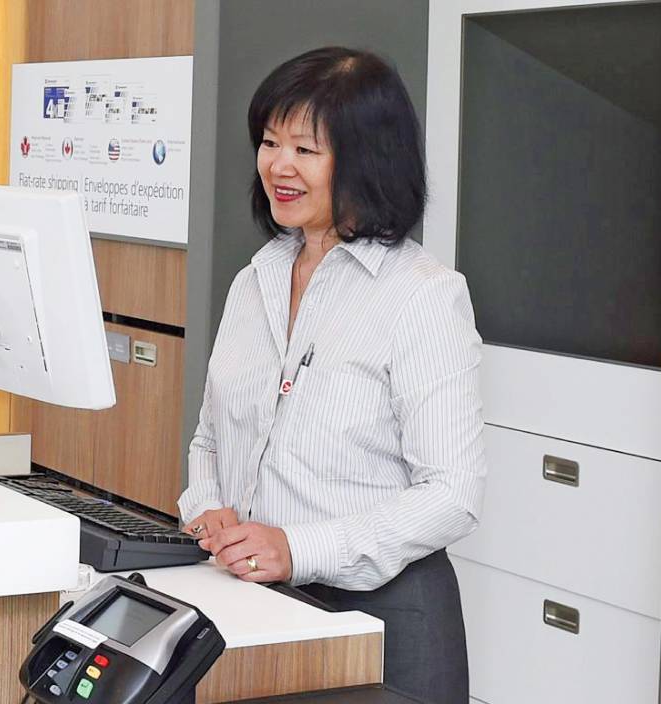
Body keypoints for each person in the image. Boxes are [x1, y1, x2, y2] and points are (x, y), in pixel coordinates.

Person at [177, 47, 486, 703]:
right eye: (268, 142)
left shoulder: (423, 295)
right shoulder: (253, 279)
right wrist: (207, 508)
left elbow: (453, 493)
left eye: (305, 149)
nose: (277, 166)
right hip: (255, 607)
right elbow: (210, 437)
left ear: (366, 159)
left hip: (382, 624)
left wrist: (299, 547)